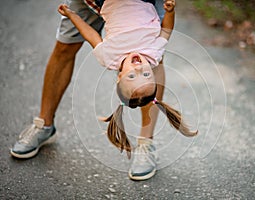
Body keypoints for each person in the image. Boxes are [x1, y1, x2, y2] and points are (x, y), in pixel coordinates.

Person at [11, 0, 197, 181]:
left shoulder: (110, 56)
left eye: (133, 76)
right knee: (65, 46)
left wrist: (72, 15)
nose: (140, 69)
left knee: (155, 66)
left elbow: (91, 35)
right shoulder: (151, 53)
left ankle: (145, 143)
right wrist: (171, 12)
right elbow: (166, 31)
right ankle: (44, 125)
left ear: (119, 75)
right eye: (145, 75)